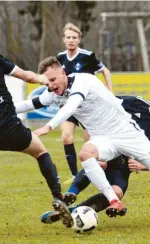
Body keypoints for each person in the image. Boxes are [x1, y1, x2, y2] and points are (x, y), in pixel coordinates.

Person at [14, 56, 150, 228]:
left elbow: (73, 104)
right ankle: (108, 200)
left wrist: (49, 126)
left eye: (52, 80)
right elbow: (29, 104)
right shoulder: (52, 93)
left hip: (128, 135)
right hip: (104, 138)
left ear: (63, 74)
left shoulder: (82, 81)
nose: (50, 85)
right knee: (87, 154)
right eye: (46, 82)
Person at [0, 27, 74, 237]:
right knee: (41, 152)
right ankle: (58, 197)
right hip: (11, 126)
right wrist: (45, 80)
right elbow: (26, 76)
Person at [40, 81, 150, 224]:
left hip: (123, 166)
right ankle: (70, 194)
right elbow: (103, 105)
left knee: (117, 193)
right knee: (98, 162)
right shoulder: (133, 102)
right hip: (109, 149)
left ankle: (71, 212)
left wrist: (141, 165)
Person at [57, 23, 112, 182]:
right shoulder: (59, 58)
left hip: (89, 106)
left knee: (90, 143)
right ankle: (75, 175)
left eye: (74, 37)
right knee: (66, 137)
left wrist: (110, 92)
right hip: (69, 104)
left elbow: (105, 71)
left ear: (79, 40)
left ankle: (95, 172)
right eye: (68, 37)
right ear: (64, 39)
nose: (71, 40)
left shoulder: (87, 56)